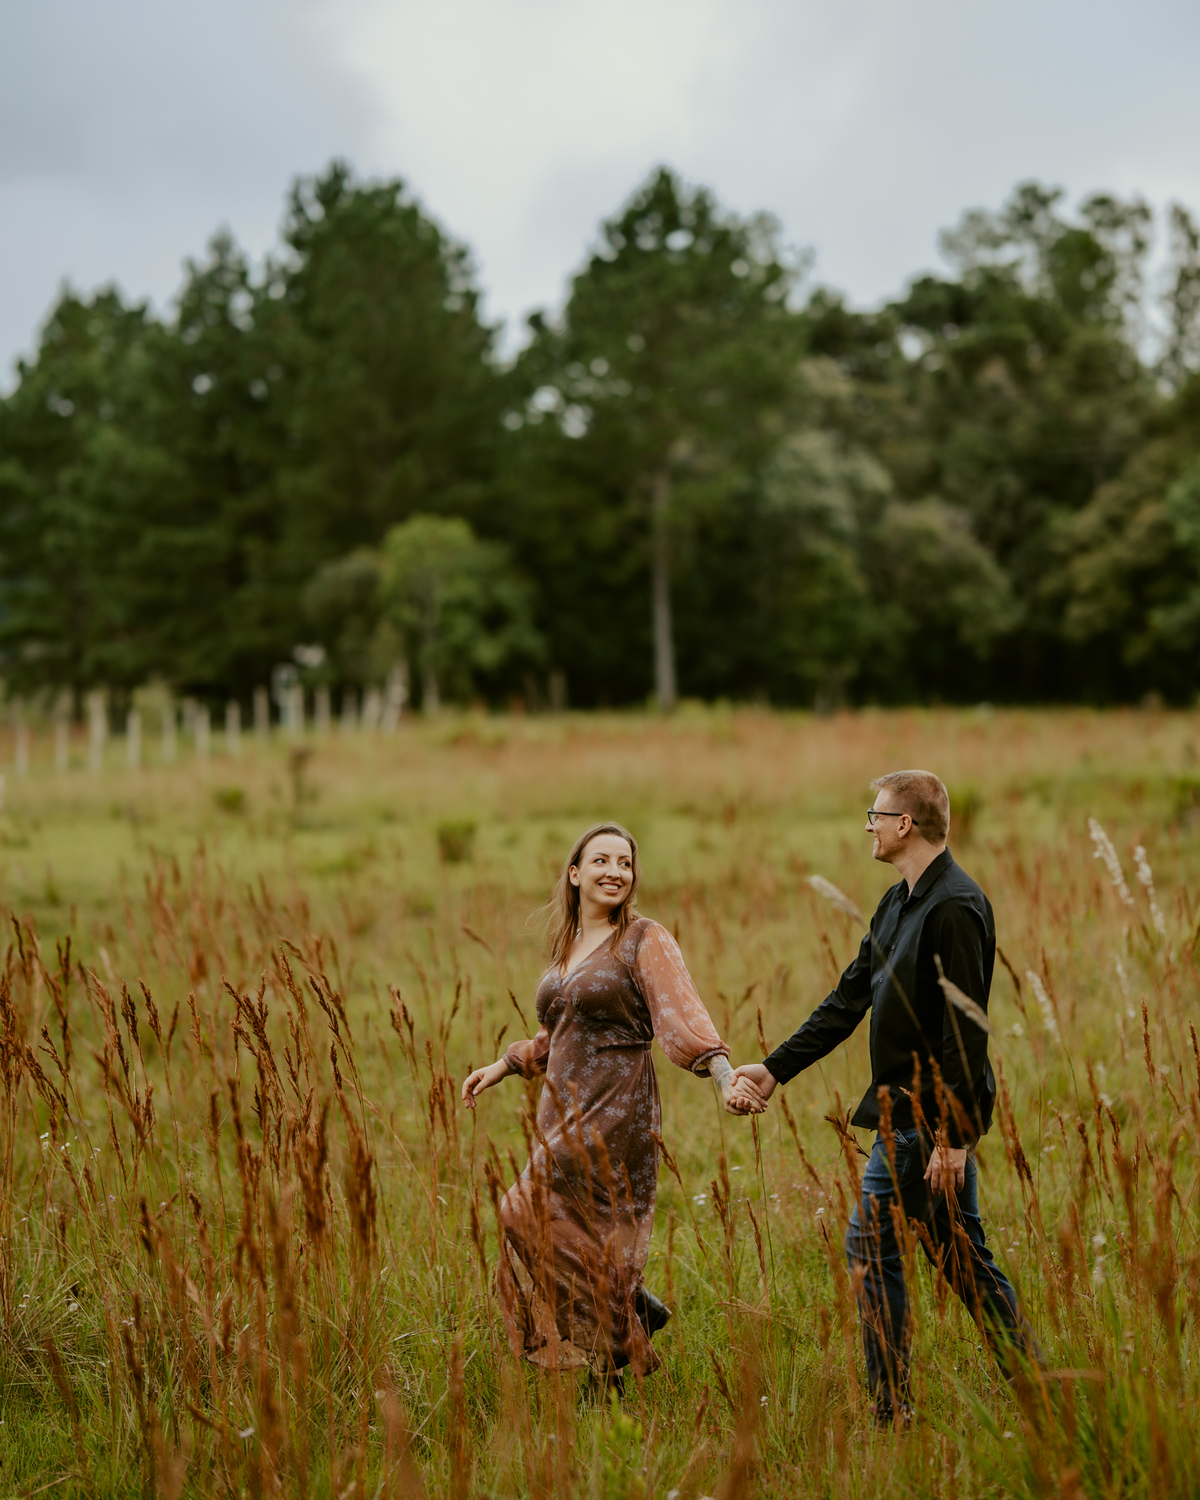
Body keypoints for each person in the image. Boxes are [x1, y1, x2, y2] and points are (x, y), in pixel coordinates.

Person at [729, 770, 1038, 1425]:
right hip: (901, 1117)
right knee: (963, 1261)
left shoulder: (956, 906)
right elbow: (849, 997)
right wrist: (775, 1069)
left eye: (875, 815)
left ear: (906, 824)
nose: (867, 825)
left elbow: (966, 1030)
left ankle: (893, 1410)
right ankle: (1039, 1388)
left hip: (925, 1124)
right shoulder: (898, 901)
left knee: (872, 1250)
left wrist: (954, 1140)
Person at [462, 822, 760, 1383]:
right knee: (578, 1228)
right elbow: (557, 1034)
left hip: (617, 1104)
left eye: (624, 863)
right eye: (601, 861)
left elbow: (683, 1014)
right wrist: (502, 1066)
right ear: (575, 874)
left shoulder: (645, 938)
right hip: (563, 1102)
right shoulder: (568, 947)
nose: (614, 872)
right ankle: (615, 1355)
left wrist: (724, 1077)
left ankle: (628, 1329)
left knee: (521, 1209)